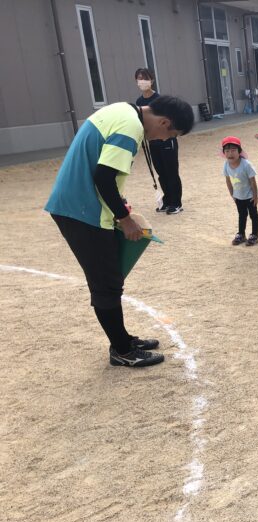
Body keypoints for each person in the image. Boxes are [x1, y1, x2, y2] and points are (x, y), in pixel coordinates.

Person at [45, 96, 194, 367]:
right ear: (164, 122)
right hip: (81, 210)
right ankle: (123, 352)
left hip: (78, 204)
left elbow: (101, 171)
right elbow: (102, 177)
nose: (163, 140)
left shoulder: (121, 111)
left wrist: (119, 203)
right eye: (170, 134)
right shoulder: (130, 128)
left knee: (109, 277)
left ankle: (122, 339)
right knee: (106, 282)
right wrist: (125, 218)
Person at [134, 68, 184, 215]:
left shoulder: (161, 100)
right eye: (139, 78)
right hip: (153, 142)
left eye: (145, 78)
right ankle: (167, 201)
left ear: (152, 80)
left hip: (167, 140)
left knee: (171, 172)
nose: (142, 81)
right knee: (161, 172)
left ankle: (176, 203)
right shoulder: (139, 102)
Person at [221, 136, 258, 246]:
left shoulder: (246, 164)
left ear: (239, 151)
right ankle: (241, 234)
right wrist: (232, 194)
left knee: (253, 215)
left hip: (250, 195)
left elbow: (252, 181)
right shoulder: (226, 164)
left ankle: (254, 235)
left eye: (233, 150)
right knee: (241, 215)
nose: (230, 154)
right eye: (227, 151)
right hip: (238, 196)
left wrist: (255, 196)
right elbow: (228, 180)